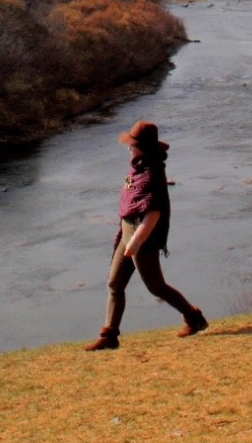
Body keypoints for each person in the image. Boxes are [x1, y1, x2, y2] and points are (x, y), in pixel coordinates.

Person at [84, 119, 206, 350]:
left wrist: (137, 242)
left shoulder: (152, 174)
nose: (128, 147)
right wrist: (126, 236)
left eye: (132, 144)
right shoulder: (138, 168)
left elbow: (153, 213)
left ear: (142, 147)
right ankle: (109, 335)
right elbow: (132, 204)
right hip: (128, 232)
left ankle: (194, 318)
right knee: (114, 283)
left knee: (156, 286)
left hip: (143, 238)